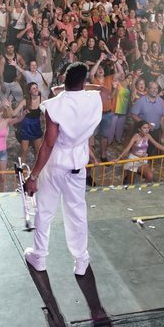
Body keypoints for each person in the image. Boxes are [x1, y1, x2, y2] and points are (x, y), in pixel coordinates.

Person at [23, 62, 102, 276]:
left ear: (64, 78)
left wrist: (34, 175)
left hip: (56, 163)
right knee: (76, 213)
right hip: (78, 164)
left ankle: (39, 256)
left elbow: (48, 144)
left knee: (45, 210)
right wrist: (70, 88)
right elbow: (96, 88)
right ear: (84, 82)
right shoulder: (94, 99)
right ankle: (81, 260)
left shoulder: (54, 106)